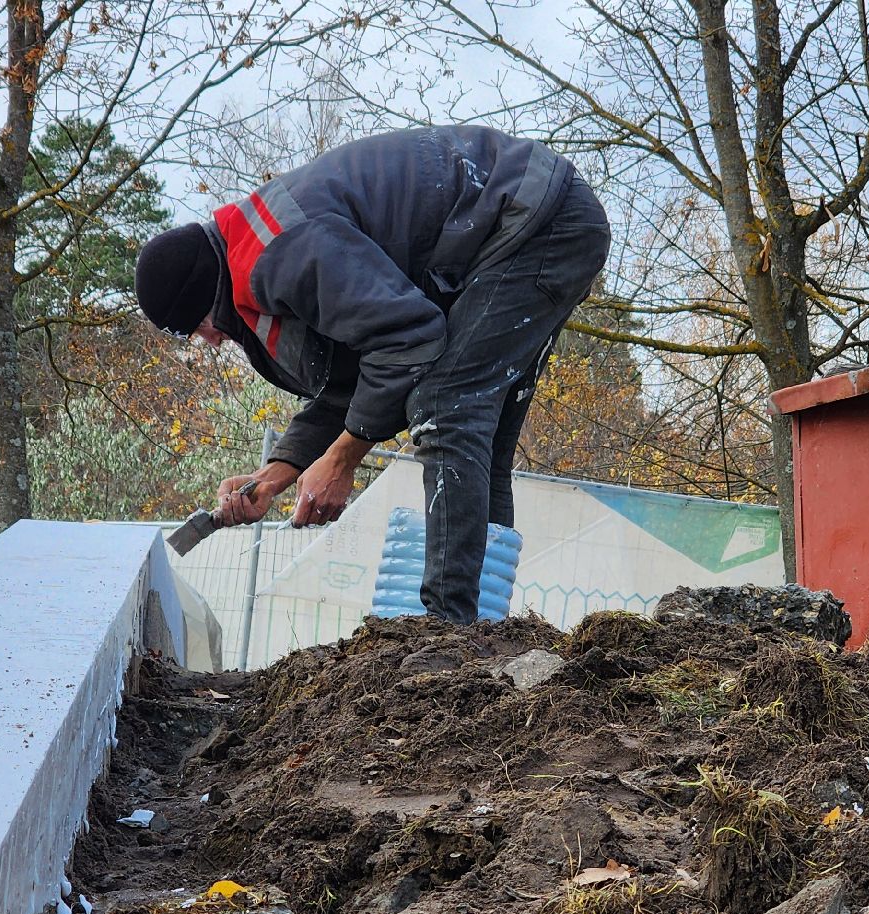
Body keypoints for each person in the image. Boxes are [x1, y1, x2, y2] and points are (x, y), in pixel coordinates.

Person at [134, 125, 611, 623]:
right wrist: (276, 474)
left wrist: (342, 460)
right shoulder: (254, 246)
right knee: (476, 434)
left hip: (533, 219)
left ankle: (448, 633)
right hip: (535, 216)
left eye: (199, 327)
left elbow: (411, 337)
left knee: (447, 405)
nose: (210, 340)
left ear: (207, 295)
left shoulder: (279, 251)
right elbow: (361, 375)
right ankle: (480, 637)